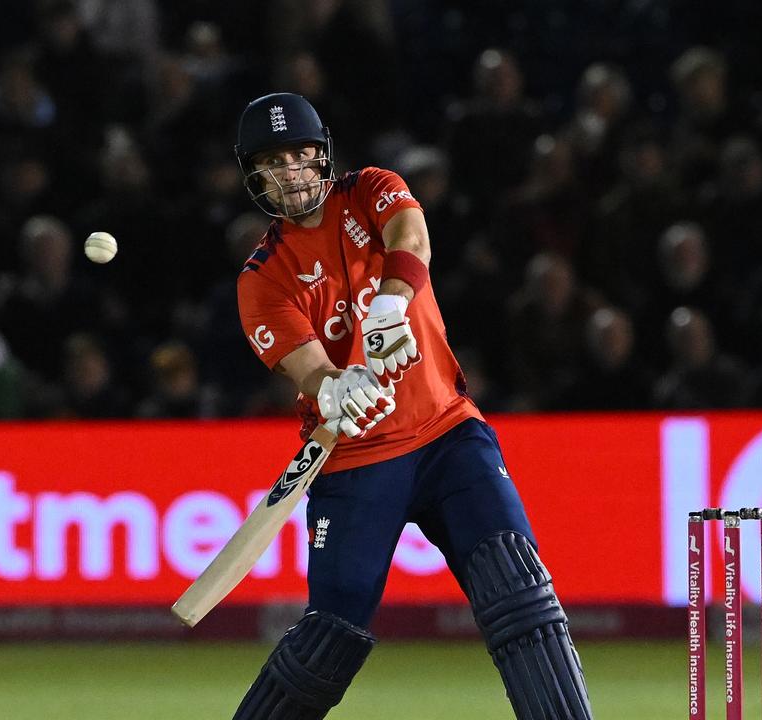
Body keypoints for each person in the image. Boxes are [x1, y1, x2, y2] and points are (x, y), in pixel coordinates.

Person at [230, 93, 593, 719]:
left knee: (519, 592)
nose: (289, 171)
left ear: (322, 158)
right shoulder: (262, 277)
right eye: (272, 162)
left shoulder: (371, 188)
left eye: (299, 156)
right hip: (355, 462)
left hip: (448, 433)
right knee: (330, 635)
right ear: (254, 176)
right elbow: (308, 366)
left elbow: (411, 234)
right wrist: (335, 387)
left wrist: (392, 302)